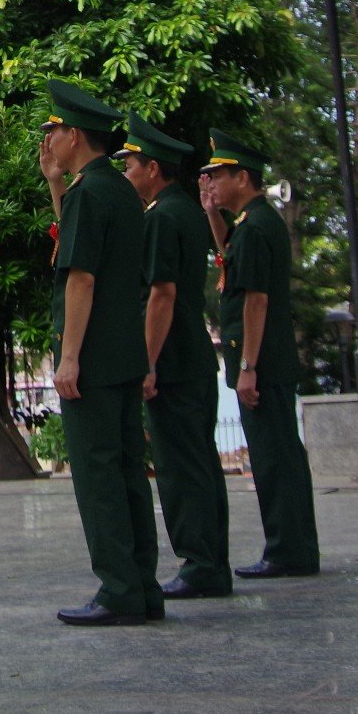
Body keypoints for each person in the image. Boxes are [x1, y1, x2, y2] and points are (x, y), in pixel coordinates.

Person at [43, 80, 160, 626]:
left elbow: (81, 277)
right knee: (128, 473)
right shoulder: (115, 190)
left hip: (92, 357)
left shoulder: (91, 193)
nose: (50, 141)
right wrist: (55, 186)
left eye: (55, 132)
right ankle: (141, 586)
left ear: (74, 134)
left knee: (98, 478)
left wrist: (68, 358)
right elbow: (79, 241)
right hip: (123, 353)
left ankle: (116, 589)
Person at [121, 117, 230, 599]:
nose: (125, 172)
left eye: (130, 164)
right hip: (192, 357)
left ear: (152, 168)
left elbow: (160, 294)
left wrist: (146, 362)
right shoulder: (183, 210)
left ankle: (201, 564)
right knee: (199, 462)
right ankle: (209, 560)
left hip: (174, 360)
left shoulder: (162, 217)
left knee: (182, 467)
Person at [203, 130, 319, 578]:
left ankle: (288, 550)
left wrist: (248, 366)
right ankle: (292, 547)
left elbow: (255, 300)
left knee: (274, 458)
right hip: (265, 360)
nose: (211, 182)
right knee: (276, 454)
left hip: (262, 362)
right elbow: (228, 256)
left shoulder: (256, 226)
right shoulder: (255, 222)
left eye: (218, 175)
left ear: (243, 177)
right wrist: (213, 215)